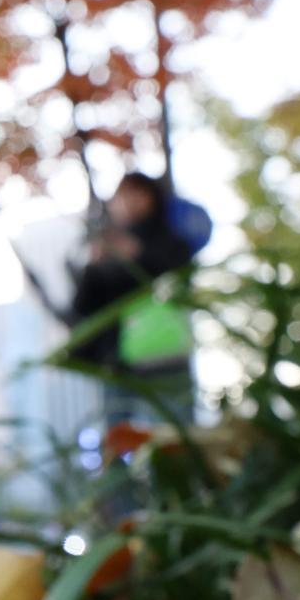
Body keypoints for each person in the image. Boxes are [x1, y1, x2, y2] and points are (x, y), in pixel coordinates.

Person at [68, 170, 200, 422]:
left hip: (167, 361)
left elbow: (174, 272)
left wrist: (136, 254)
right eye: (122, 195)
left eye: (137, 193)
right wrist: (93, 266)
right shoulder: (105, 247)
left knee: (174, 443)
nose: (129, 201)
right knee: (119, 443)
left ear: (152, 198)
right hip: (117, 366)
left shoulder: (170, 242)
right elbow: (83, 308)